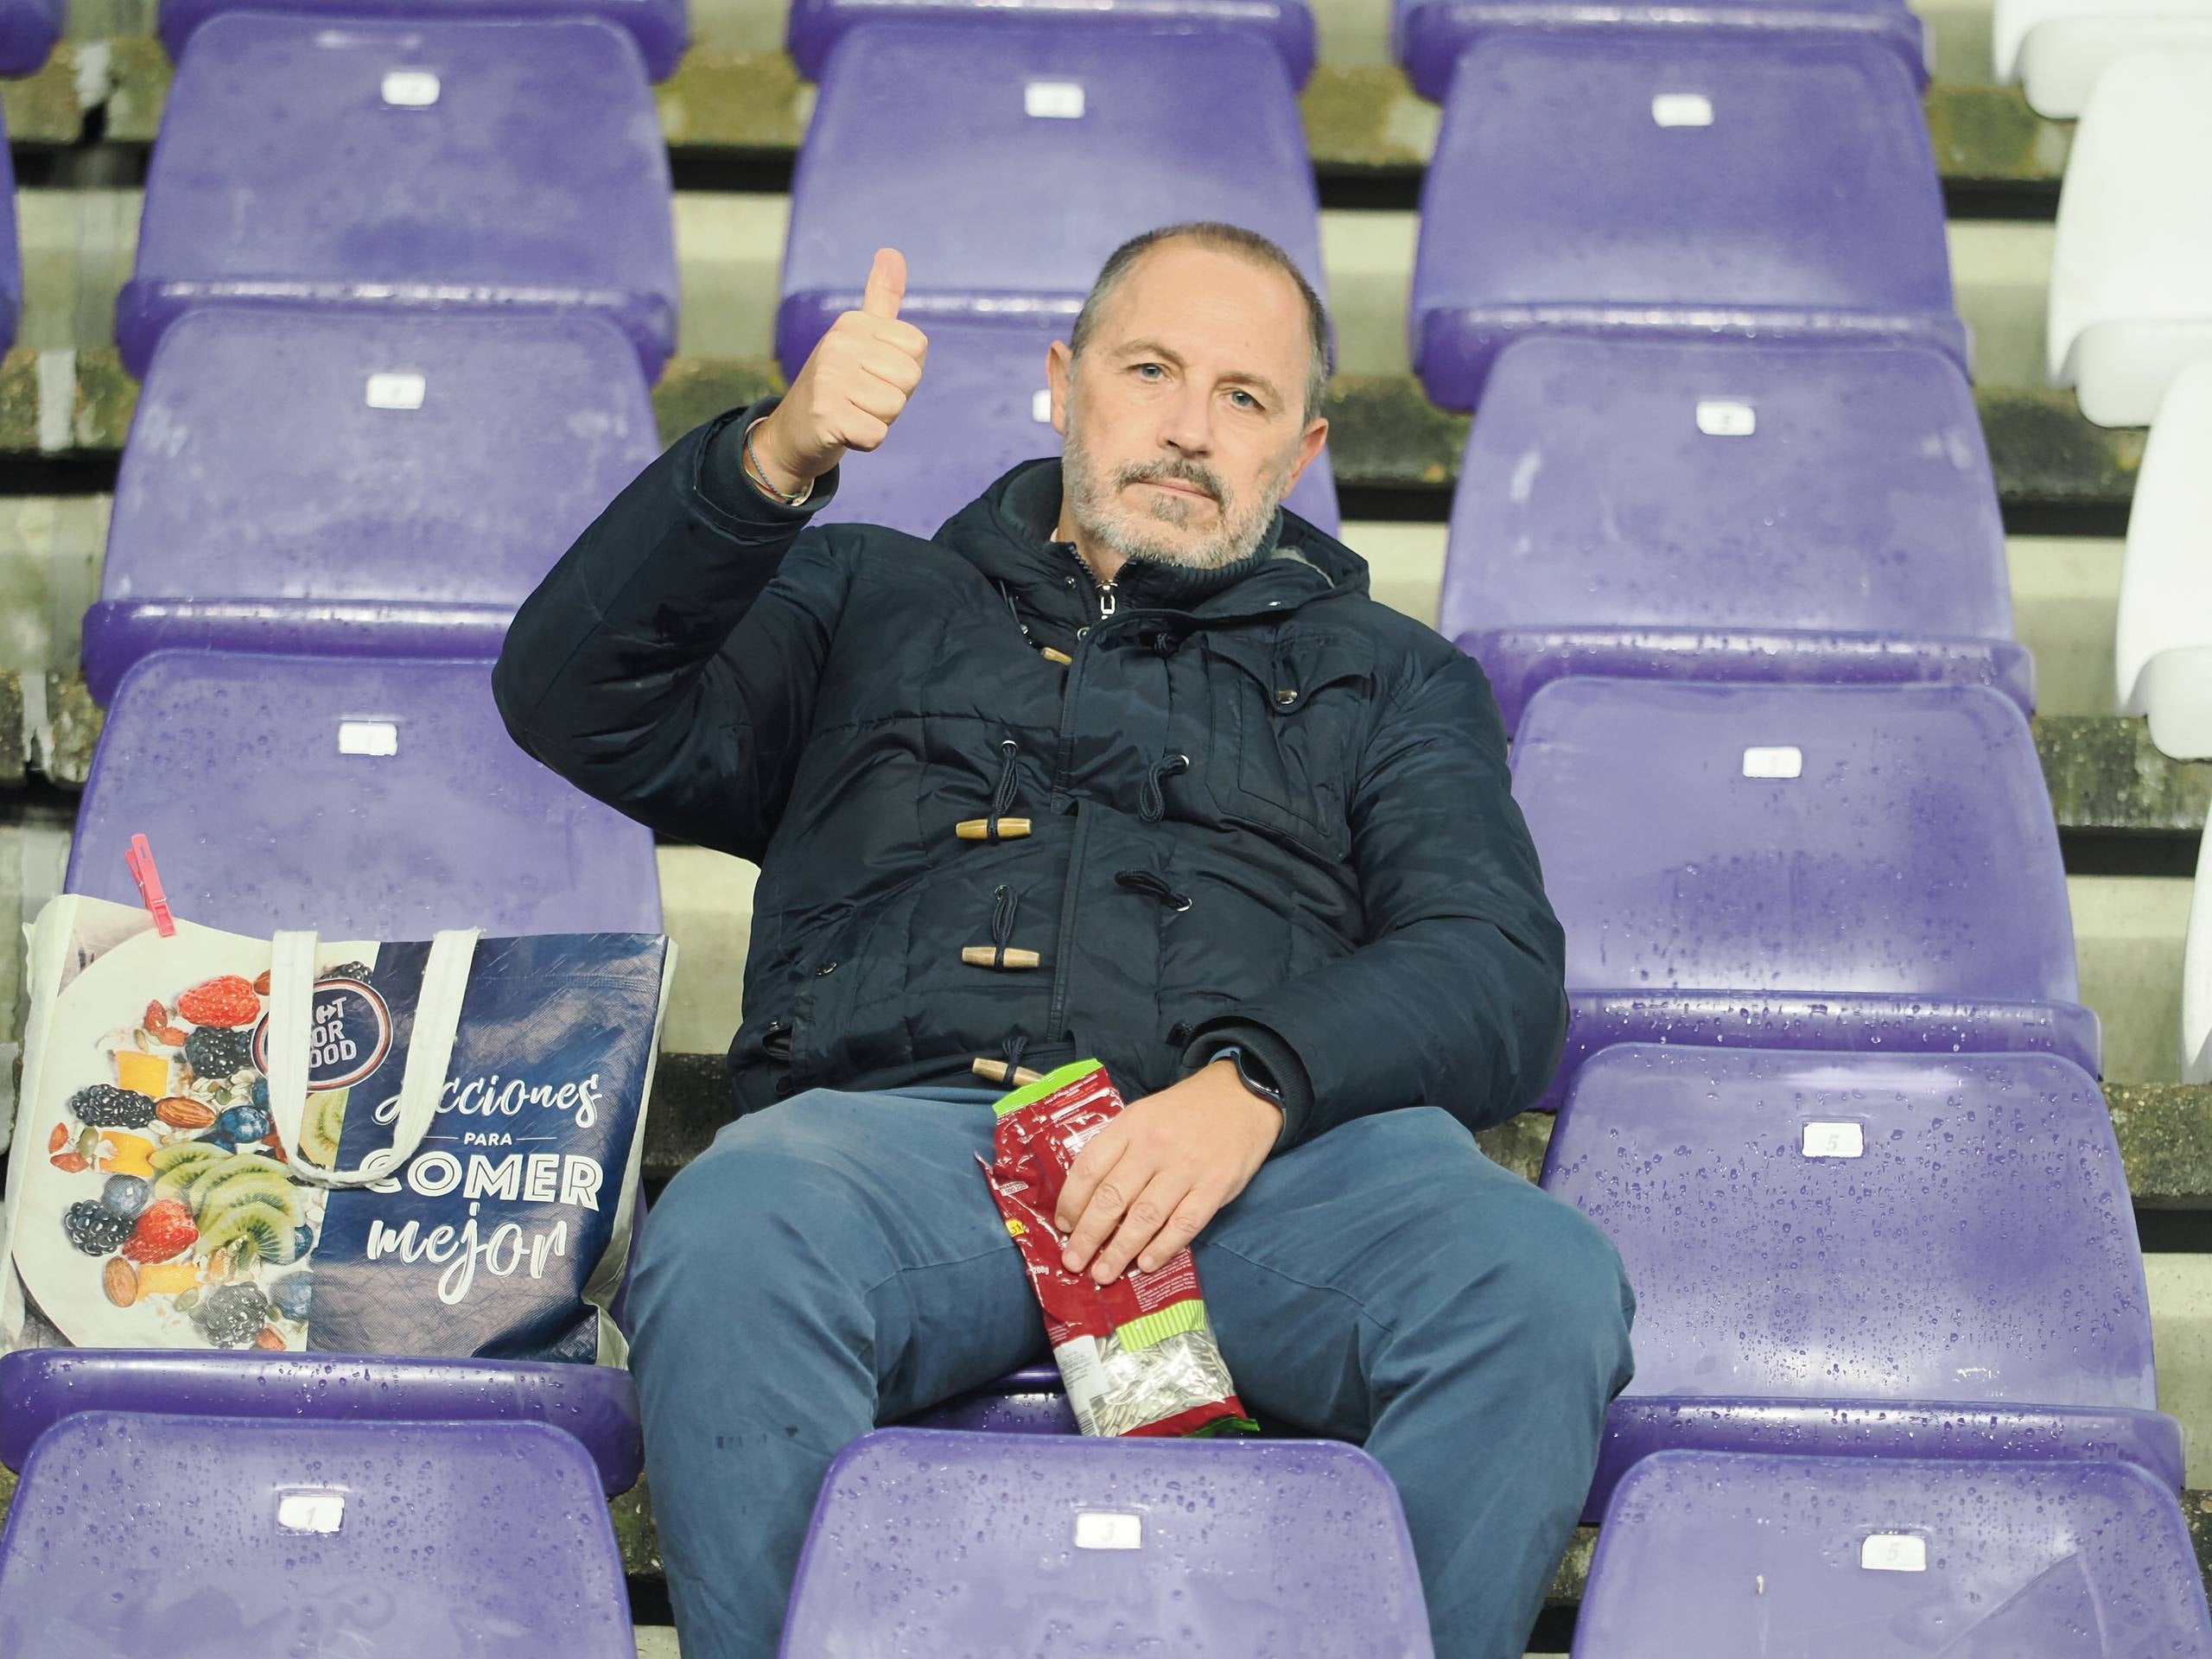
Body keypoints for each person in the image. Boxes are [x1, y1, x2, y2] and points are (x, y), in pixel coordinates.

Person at [494, 221, 1635, 1659]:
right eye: (1150, 368)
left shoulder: (1395, 676)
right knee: (731, 1233)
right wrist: (771, 460)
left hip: (1261, 1176)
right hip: (912, 1158)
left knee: (1535, 1287)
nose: (1187, 427)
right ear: (1061, 380)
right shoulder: (861, 594)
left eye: (1243, 398)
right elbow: (569, 697)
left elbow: (1494, 968)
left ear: (1302, 449)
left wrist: (1253, 1088)